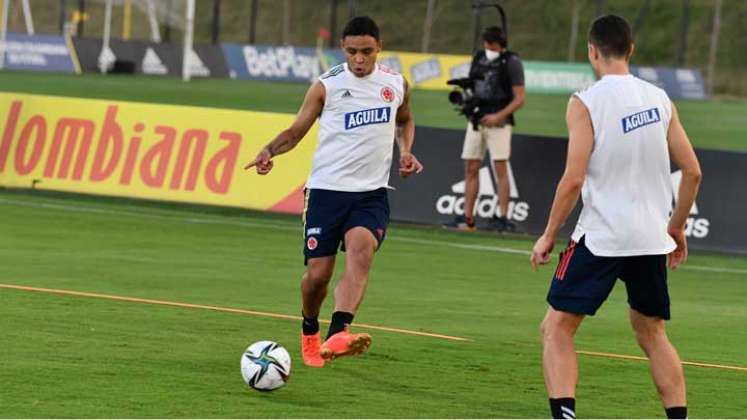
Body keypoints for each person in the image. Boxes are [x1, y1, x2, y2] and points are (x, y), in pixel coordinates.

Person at [530, 15, 701, 420]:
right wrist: (675, 227)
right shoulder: (660, 98)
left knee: (556, 328)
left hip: (602, 237)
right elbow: (693, 171)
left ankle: (565, 416)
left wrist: (548, 235)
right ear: (631, 49)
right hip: (650, 238)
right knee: (652, 332)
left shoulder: (585, 101)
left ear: (592, 51)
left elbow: (572, 179)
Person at [244, 16, 423, 368]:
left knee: (362, 250)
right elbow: (296, 131)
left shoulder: (396, 83)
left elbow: (405, 119)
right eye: (353, 51)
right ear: (343, 49)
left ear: (379, 49)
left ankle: (339, 332)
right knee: (318, 277)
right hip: (326, 193)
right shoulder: (326, 86)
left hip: (371, 193)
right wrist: (269, 150)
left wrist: (406, 151)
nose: (359, 59)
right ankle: (310, 328)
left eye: (367, 52)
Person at [446, 25, 525, 232]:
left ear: (499, 44)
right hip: (476, 120)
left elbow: (520, 98)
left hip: (499, 122)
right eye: (486, 43)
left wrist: (498, 116)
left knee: (500, 168)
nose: (487, 47)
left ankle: (503, 216)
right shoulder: (479, 57)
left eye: (491, 44)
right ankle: (468, 217)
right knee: (471, 167)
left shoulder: (512, 62)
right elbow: (473, 84)